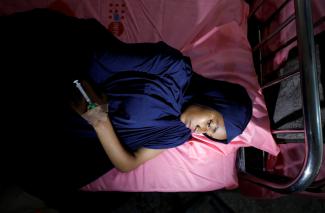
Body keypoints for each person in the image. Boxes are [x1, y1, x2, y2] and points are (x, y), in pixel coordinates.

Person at [1, 9, 252, 194]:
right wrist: (86, 94)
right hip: (81, 72)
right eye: (211, 122)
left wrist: (101, 123)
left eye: (209, 134)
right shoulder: (173, 68)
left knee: (45, 169)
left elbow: (128, 164)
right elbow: (101, 57)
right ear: (215, 100)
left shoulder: (176, 135)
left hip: (86, 133)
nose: (201, 130)